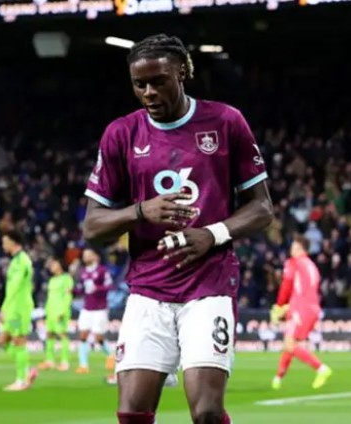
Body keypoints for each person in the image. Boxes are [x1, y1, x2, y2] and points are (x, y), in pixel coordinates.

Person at [83, 34, 273, 424]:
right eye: (140, 84)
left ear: (183, 72)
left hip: (210, 285)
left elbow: (262, 208)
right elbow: (92, 226)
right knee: (132, 411)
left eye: (159, 81)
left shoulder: (224, 122)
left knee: (205, 411)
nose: (149, 92)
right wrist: (140, 211)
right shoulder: (121, 134)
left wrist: (213, 234)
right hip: (148, 288)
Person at [270, 234, 332, 390]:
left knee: (290, 344)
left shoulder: (294, 263)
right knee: (290, 343)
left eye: (293, 247)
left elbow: (287, 284)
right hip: (313, 308)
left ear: (299, 249)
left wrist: (279, 305)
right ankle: (278, 378)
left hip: (300, 308)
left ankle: (321, 368)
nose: (291, 250)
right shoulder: (312, 265)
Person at [0, 230, 38, 391]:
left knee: (19, 341)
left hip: (19, 307)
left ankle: (21, 380)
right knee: (2, 341)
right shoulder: (15, 261)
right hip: (13, 306)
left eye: (5, 241)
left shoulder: (23, 261)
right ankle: (27, 371)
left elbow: (15, 287)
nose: (3, 244)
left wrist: (4, 308)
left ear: (14, 242)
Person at [75, 247, 115, 374]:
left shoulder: (102, 270)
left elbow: (110, 286)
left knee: (98, 337)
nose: (85, 257)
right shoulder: (82, 272)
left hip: (100, 308)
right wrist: (73, 291)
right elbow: (81, 289)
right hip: (86, 308)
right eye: (84, 255)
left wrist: (97, 288)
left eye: (88, 254)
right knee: (82, 335)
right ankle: (83, 365)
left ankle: (111, 355)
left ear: (95, 257)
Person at [39, 257, 74, 372]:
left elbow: (68, 296)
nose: (51, 266)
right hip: (50, 311)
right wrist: (46, 311)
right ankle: (50, 361)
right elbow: (50, 297)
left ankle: (65, 362)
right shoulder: (52, 280)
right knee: (49, 334)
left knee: (62, 335)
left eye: (53, 264)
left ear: (59, 265)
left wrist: (63, 311)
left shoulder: (67, 278)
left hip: (60, 311)